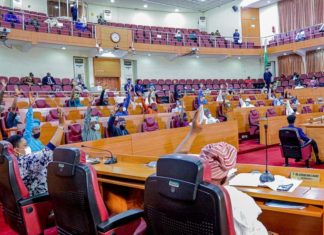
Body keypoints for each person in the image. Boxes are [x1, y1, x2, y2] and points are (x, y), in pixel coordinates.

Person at [174, 106, 268, 235]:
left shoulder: (181, 186)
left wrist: (193, 132)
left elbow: (175, 160)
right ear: (227, 174)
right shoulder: (236, 199)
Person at [7, 109, 65, 196]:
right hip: (39, 198)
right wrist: (61, 125)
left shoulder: (9, 162)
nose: (27, 147)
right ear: (16, 150)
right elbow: (49, 149)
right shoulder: (25, 161)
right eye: (25, 145)